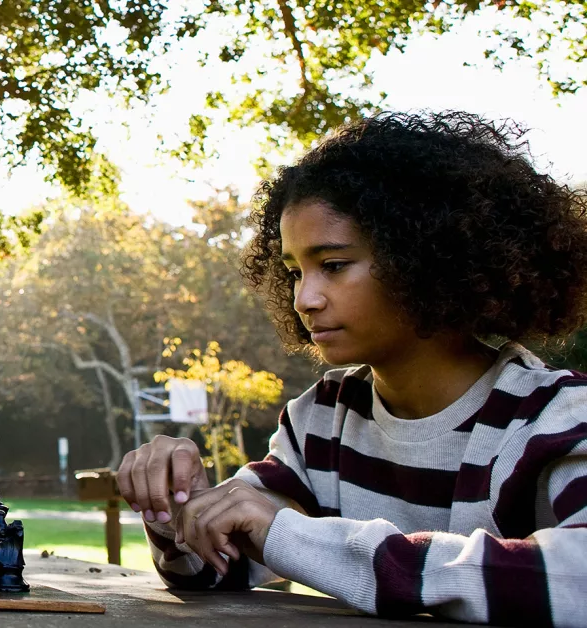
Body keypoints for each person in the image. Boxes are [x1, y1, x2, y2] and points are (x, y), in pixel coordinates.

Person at [116, 111, 587, 624]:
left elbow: (578, 578)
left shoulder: (556, 419)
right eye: (294, 271)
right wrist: (182, 507)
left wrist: (297, 537)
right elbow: (216, 574)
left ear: (428, 259)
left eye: (333, 266)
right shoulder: (320, 418)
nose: (304, 299)